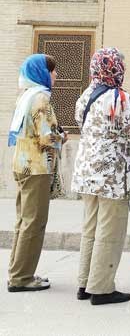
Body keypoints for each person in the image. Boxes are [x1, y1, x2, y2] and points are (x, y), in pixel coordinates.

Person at [71, 47, 130, 305]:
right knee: (110, 229)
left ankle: (84, 283)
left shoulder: (85, 95)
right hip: (112, 176)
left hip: (87, 172)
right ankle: (101, 288)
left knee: (90, 227)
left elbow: (82, 125)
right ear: (116, 68)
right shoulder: (118, 98)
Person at [7, 54, 65, 292]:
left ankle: (17, 272)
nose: (56, 75)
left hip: (22, 164)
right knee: (34, 223)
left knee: (23, 222)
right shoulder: (40, 98)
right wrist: (62, 136)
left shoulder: (26, 96)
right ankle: (22, 278)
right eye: (52, 71)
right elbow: (46, 137)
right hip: (37, 168)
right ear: (42, 73)